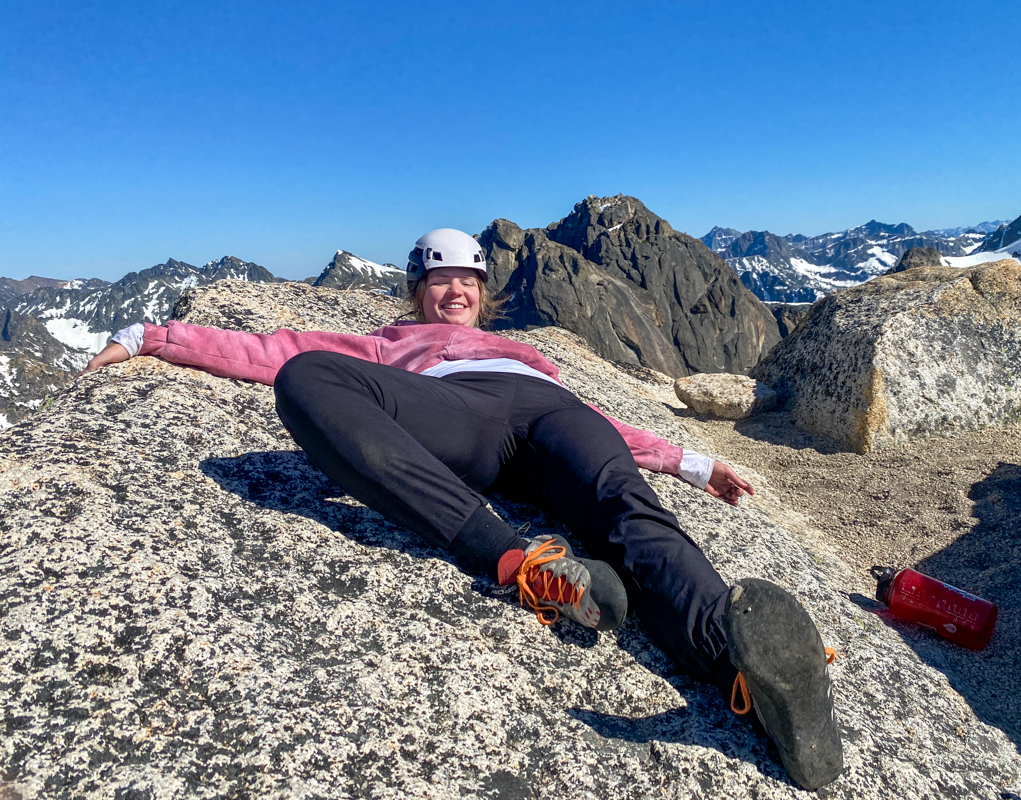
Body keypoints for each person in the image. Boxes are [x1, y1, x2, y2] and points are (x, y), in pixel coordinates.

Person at [83, 228, 844, 789]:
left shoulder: (533, 355)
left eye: (468, 282)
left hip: (551, 413)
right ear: (416, 293)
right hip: (457, 414)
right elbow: (268, 350)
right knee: (308, 377)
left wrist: (691, 462)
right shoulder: (389, 343)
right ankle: (517, 560)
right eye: (439, 281)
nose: (455, 292)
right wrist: (149, 336)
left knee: (623, 504)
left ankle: (740, 666)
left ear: (485, 294)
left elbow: (604, 427)